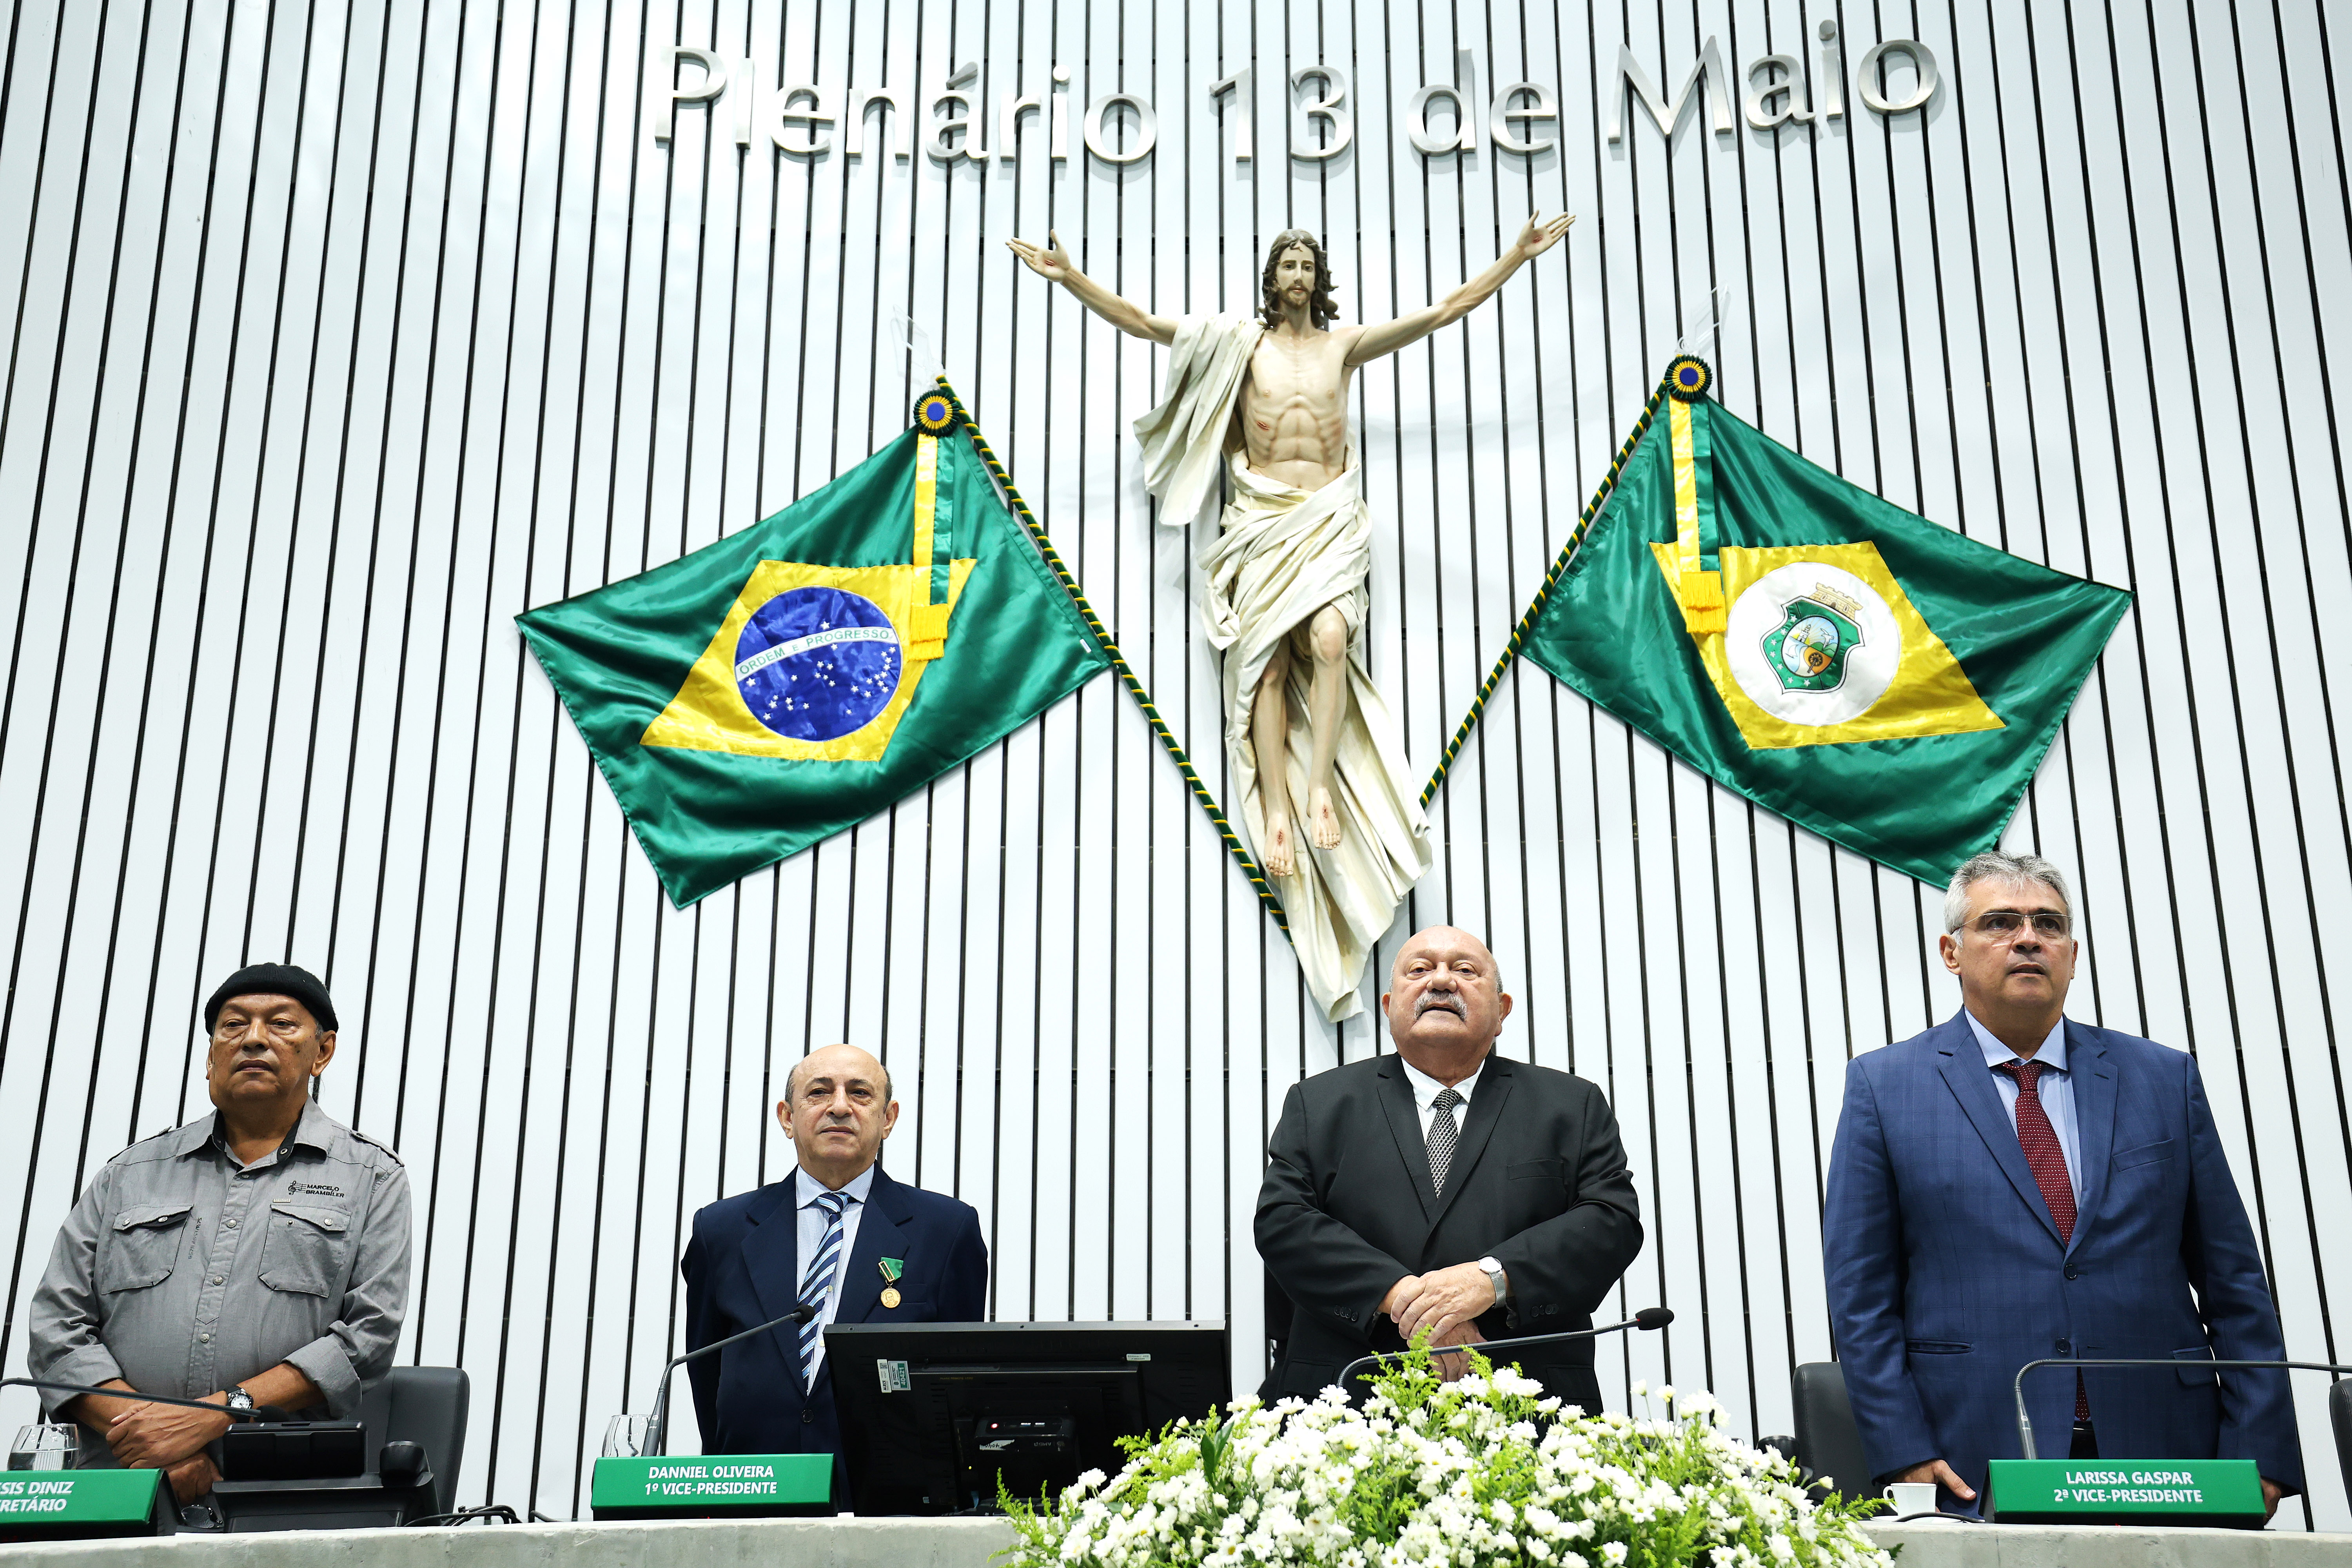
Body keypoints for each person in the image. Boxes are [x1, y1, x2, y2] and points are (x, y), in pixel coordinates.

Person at [1006, 221, 1570, 1022]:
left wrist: (1513, 258)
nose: (1298, 273)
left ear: (1320, 275)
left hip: (1331, 516)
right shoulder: (1238, 345)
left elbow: (1446, 312)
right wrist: (1070, 277)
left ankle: (1318, 792)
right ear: (1271, 277)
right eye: (1288, 263)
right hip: (1264, 516)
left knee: (1332, 639)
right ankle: (1275, 806)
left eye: (1309, 262)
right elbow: (1139, 321)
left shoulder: (1344, 346)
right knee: (1266, 664)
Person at [1824, 851, 2302, 1517]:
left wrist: (2263, 1449)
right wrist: (1903, 1450)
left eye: (2048, 924)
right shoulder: (1884, 1087)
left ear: (2071, 954)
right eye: (2000, 922)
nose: (2028, 938)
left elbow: (2236, 1284)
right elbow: (1861, 1299)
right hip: (1972, 1450)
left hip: (2166, 1449)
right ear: (1951, 952)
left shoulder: (2164, 1079)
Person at [26, 964, 411, 1521]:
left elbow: (367, 1339)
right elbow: (56, 1330)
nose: (253, 1037)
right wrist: (156, 1443)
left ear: (322, 1052)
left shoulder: (371, 1177)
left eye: (280, 1024)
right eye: (233, 1026)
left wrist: (215, 1415)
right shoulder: (130, 1174)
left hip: (282, 1496)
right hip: (121, 1489)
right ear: (211, 1055)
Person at [1253, 926, 1644, 1411]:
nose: (1441, 981)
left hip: (1527, 1401)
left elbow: (1612, 1222)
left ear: (1502, 1011)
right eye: (1419, 970)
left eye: (1464, 970)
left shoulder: (1570, 1105)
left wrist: (1489, 1281)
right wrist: (1408, 1301)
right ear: (1388, 1004)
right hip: (1347, 1396)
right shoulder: (1319, 1104)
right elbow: (1284, 1221)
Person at [681, 1043, 986, 1500]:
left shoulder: (946, 1231)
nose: (839, 1107)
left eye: (860, 1093)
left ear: (888, 1119)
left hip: (888, 1509)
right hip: (752, 1498)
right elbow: (707, 1374)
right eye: (819, 1092)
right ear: (787, 1117)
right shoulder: (721, 1231)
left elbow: (958, 1384)